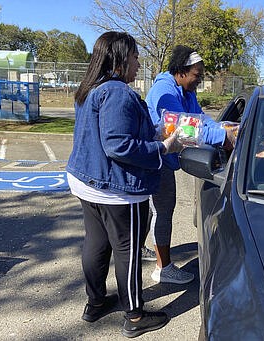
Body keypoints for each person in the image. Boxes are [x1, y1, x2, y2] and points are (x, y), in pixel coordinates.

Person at [66, 31, 182, 338]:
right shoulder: (117, 92)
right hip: (116, 190)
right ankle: (134, 315)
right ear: (119, 59)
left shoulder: (90, 88)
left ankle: (95, 304)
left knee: (96, 243)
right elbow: (117, 144)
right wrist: (163, 148)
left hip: (85, 182)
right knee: (127, 252)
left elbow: (115, 133)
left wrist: (154, 133)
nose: (138, 62)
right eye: (134, 56)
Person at [143, 45, 237, 284]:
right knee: (163, 209)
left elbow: (200, 118)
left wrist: (224, 128)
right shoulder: (165, 90)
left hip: (164, 156)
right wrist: (223, 138)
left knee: (151, 210)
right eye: (197, 74)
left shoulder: (186, 91)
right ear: (181, 72)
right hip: (155, 158)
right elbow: (184, 128)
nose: (199, 79)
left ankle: (140, 250)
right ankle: (163, 268)